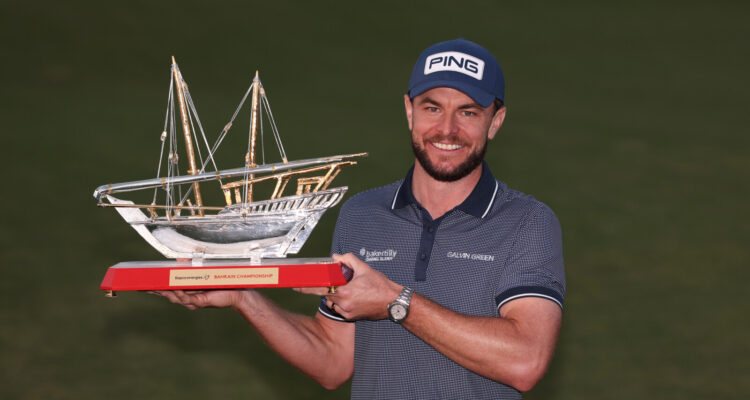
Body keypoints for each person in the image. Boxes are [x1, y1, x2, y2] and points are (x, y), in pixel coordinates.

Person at [155, 38, 565, 399]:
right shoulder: (362, 215)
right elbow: (334, 360)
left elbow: (525, 361)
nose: (447, 128)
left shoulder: (528, 222)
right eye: (432, 107)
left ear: (496, 121)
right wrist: (243, 295)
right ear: (409, 111)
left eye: (469, 112)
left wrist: (394, 301)